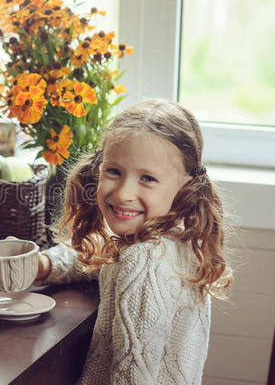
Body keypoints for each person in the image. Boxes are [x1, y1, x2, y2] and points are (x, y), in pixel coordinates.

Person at [32, 99, 233, 384]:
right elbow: (103, 250)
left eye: (147, 178)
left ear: (185, 187)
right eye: (114, 171)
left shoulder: (144, 260)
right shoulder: (173, 237)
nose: (124, 192)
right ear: (99, 168)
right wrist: (46, 263)